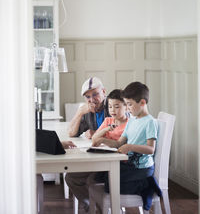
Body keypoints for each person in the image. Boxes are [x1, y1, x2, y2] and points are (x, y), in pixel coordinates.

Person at [93, 81, 161, 211]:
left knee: (109, 185)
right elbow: (119, 143)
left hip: (142, 169)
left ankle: (147, 185)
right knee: (101, 177)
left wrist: (130, 147)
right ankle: (141, 185)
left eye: (130, 104)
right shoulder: (132, 121)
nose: (128, 108)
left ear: (142, 103)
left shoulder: (150, 122)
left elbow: (151, 149)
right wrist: (102, 140)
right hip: (129, 165)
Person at [66, 76, 110, 213]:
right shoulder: (88, 111)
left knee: (91, 179)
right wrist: (80, 112)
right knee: (71, 178)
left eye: (95, 94)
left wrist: (97, 133)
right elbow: (71, 133)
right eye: (87, 97)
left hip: (114, 160)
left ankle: (103, 208)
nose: (92, 100)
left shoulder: (114, 104)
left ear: (104, 91)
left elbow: (122, 130)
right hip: (98, 158)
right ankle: (90, 206)